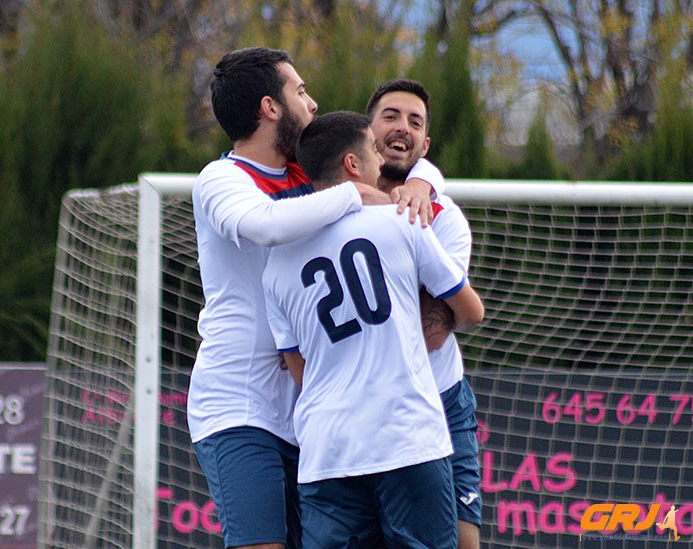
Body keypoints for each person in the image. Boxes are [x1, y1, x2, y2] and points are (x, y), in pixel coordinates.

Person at [187, 47, 446, 549]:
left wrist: (418, 180)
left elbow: (388, 154)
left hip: (311, 408)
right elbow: (263, 225)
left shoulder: (308, 171)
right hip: (240, 404)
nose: (313, 102)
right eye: (300, 92)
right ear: (270, 108)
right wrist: (353, 195)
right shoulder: (221, 179)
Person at [262, 110, 485, 548]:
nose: (381, 163)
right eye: (372, 152)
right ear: (352, 164)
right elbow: (471, 311)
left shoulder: (277, 263)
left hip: (329, 452)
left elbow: (299, 371)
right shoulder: (401, 221)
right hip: (407, 438)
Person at [367, 78, 483, 549]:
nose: (403, 128)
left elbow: (434, 328)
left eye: (415, 122)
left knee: (462, 538)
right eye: (390, 116)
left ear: (426, 144)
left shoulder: (446, 219)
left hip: (441, 398)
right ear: (366, 129)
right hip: (367, 408)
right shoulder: (331, 209)